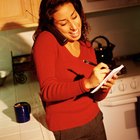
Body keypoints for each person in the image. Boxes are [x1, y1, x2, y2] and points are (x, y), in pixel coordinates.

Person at [32, 0, 118, 140]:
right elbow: (47, 91)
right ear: (51, 25)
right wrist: (87, 83)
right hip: (68, 130)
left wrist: (104, 86)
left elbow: (94, 97)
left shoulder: (86, 46)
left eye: (74, 16)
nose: (73, 26)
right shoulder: (46, 40)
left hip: (95, 121)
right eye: (64, 23)